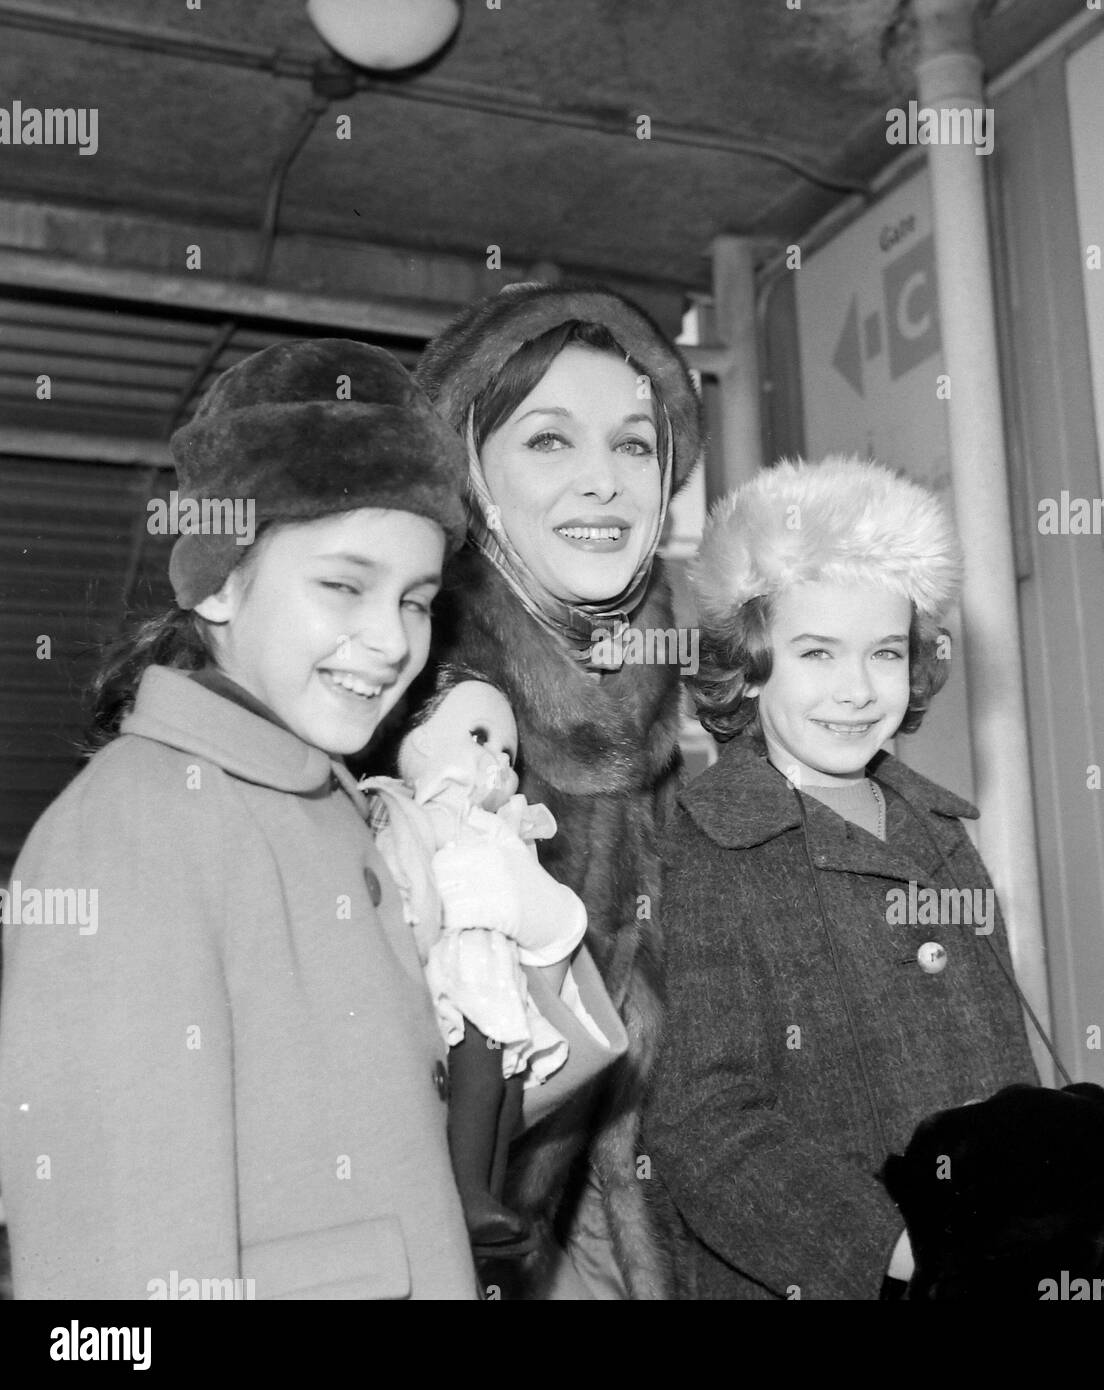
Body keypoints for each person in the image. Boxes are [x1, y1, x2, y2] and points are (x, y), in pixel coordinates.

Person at [0, 338, 625, 1299]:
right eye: (343, 585)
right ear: (216, 579)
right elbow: (116, 1265)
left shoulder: (334, 813)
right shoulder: (135, 828)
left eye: (416, 600)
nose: (389, 641)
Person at [642, 455, 1041, 1299]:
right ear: (750, 660)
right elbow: (706, 1127)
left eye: (884, 653)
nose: (856, 691)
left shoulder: (940, 831)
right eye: (817, 652)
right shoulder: (714, 845)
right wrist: (905, 1251)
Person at [413, 282, 703, 1299]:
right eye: (548, 442)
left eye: (633, 445)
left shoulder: (708, 703)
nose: (605, 483)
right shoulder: (411, 713)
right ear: (467, 471)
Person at [362, 669, 591, 1258]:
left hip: (498, 973)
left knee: (509, 1088)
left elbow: (546, 912)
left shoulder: (496, 828)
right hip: (456, 970)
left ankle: (488, 1200)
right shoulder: (413, 810)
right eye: (479, 736)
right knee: (479, 1074)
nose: (498, 761)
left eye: (509, 754)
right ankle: (463, 1193)